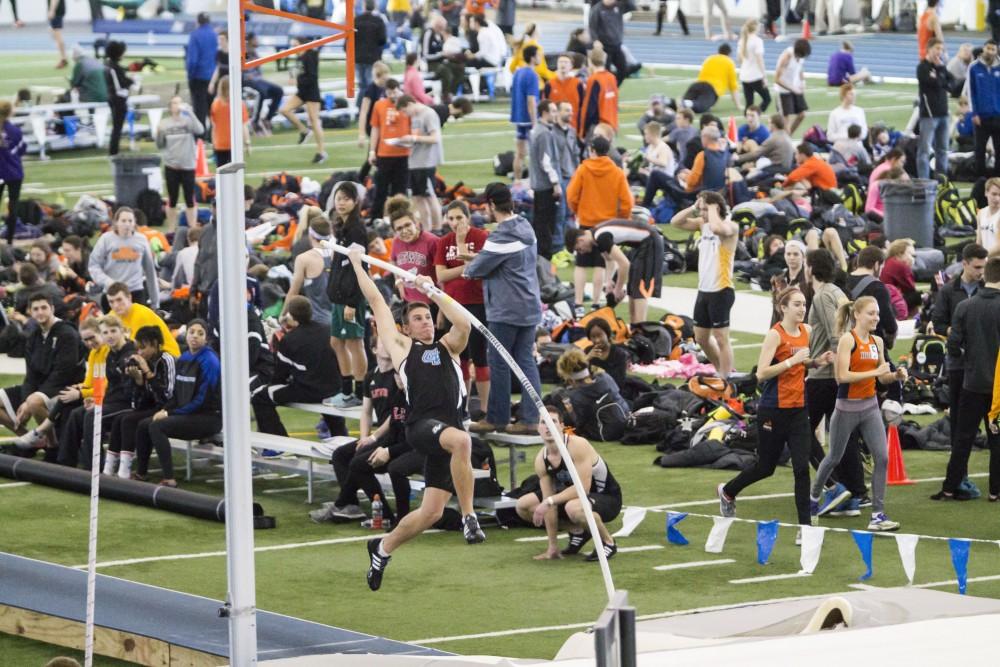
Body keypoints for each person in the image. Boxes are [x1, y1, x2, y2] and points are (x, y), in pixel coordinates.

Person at [349, 248, 485, 592]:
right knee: (463, 440)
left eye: (428, 317)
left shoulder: (449, 347)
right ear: (406, 327)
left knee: (432, 513)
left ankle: (381, 549)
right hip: (422, 427)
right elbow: (377, 301)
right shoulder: (403, 349)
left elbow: (464, 322)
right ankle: (470, 517)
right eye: (419, 319)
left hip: (448, 429)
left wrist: (433, 291)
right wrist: (356, 262)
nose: (425, 322)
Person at [719, 287, 834, 532]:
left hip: (798, 409)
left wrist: (817, 361)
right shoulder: (776, 334)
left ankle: (805, 528)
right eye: (797, 304)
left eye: (804, 304)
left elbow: (802, 362)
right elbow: (761, 373)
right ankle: (728, 491)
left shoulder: (808, 331)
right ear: (783, 308)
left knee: (801, 469)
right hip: (773, 409)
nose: (802, 309)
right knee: (766, 467)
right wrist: (793, 360)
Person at [810, 296, 906, 531]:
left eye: (877, 314)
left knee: (882, 457)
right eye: (871, 313)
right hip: (846, 409)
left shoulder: (877, 342)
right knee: (833, 456)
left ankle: (878, 515)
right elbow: (841, 377)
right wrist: (874, 373)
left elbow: (882, 377)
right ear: (857, 315)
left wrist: (894, 376)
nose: (876, 317)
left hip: (870, 407)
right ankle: (812, 500)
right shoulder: (847, 340)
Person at [464, 183, 543, 436]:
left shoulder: (501, 237)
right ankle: (531, 418)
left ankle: (497, 417)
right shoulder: (525, 226)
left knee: (499, 362)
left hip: (506, 309)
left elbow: (473, 271)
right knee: (525, 362)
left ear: (490, 205)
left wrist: (471, 261)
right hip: (529, 306)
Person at [517, 405, 622, 561]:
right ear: (538, 428)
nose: (547, 427)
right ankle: (579, 531)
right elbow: (549, 503)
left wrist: (550, 501)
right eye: (543, 422)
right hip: (572, 498)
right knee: (523, 505)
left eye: (552, 421)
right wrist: (552, 546)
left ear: (561, 426)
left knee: (573, 507)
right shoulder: (541, 459)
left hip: (606, 497)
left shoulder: (577, 445)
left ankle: (608, 542)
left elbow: (583, 488)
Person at [935, 257, 1000, 501]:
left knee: (963, 438)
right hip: (998, 391)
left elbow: (952, 346)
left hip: (971, 383)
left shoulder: (965, 306)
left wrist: (969, 358)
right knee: (997, 439)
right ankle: (995, 491)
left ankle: (950, 487)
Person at [0, 294, 83, 454]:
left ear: (52, 309)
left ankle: (53, 446)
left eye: (44, 308)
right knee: (27, 400)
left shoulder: (67, 333)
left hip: (66, 388)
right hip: (41, 387)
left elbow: (63, 373)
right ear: (30, 312)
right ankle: (33, 441)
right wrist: (24, 400)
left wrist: (32, 399)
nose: (40, 312)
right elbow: (31, 374)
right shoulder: (33, 335)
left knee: (34, 401)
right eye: (36, 309)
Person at [252, 296, 342, 437]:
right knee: (331, 408)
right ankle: (341, 439)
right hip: (334, 388)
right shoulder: (328, 330)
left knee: (260, 397)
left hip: (310, 391)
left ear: (291, 315)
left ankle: (278, 444)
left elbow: (280, 376)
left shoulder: (289, 340)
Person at [671, 191, 738, 378]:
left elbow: (718, 229)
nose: (701, 214)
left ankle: (727, 378)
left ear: (716, 208)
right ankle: (721, 370)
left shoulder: (730, 226)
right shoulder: (704, 224)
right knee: (701, 337)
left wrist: (712, 208)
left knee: (721, 338)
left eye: (704, 210)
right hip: (704, 290)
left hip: (721, 290)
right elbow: (675, 222)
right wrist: (694, 207)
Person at [435, 201, 491, 414]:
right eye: (451, 218)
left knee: (480, 357)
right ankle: (463, 407)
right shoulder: (443, 242)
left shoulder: (481, 237)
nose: (455, 222)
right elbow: (441, 276)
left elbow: (478, 271)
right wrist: (466, 265)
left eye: (459, 217)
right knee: (460, 356)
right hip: (453, 305)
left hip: (477, 304)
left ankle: (485, 409)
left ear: (468, 217)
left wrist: (461, 245)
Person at [567, 135, 634, 310]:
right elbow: (627, 201)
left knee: (581, 263)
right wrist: (622, 218)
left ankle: (579, 303)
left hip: (587, 221)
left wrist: (577, 210)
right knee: (602, 263)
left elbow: (571, 195)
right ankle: (597, 302)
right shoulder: (616, 171)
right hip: (608, 224)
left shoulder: (584, 169)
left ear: (592, 150)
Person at [932, 243, 987, 447]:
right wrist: (959, 331)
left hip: (985, 362)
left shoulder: (988, 289)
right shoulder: (948, 291)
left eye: (984, 267)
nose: (981, 272)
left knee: (993, 412)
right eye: (977, 267)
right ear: (964, 264)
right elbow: (938, 324)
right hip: (958, 362)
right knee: (957, 412)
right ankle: (957, 453)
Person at [565, 213, 663, 324]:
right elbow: (609, 260)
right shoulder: (596, 237)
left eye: (579, 249)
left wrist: (617, 289)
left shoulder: (601, 237)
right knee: (632, 287)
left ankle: (640, 326)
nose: (582, 252)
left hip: (650, 241)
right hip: (640, 245)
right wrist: (609, 282)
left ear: (580, 240)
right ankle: (634, 325)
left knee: (639, 288)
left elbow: (624, 264)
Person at [111, 325, 176, 480]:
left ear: (155, 343)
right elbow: (139, 404)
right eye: (137, 348)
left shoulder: (167, 360)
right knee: (123, 419)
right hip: (153, 407)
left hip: (168, 408)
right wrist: (139, 382)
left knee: (141, 423)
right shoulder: (142, 361)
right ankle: (114, 467)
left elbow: (168, 395)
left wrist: (148, 373)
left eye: (143, 348)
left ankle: (134, 470)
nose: (139, 353)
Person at [326, 184, 369, 409]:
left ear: (355, 202)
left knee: (354, 342)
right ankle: (345, 390)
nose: (341, 202)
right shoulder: (341, 226)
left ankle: (360, 393)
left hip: (350, 297)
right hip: (339, 296)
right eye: (338, 198)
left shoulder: (356, 229)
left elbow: (359, 267)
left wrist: (352, 300)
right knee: (337, 341)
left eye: (346, 199)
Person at [156, 97, 204, 229]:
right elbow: (160, 144)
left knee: (190, 198)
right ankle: (171, 229)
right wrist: (158, 133)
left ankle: (192, 228)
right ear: (170, 107)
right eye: (175, 103)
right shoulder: (164, 123)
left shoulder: (188, 122)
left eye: (180, 102)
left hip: (188, 166)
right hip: (171, 166)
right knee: (172, 198)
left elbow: (200, 130)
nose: (178, 105)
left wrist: (191, 113)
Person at [397, 95, 444, 231]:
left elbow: (435, 138)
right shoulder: (415, 117)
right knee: (418, 197)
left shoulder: (428, 114)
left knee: (429, 196)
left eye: (405, 111)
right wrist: (405, 141)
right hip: (415, 161)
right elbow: (418, 137)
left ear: (410, 103)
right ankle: (426, 228)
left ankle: (438, 227)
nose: (406, 114)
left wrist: (413, 138)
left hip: (426, 162)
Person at [368, 80, 411, 219]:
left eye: (394, 91)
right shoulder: (379, 105)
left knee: (400, 190)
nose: (392, 95)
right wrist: (372, 151)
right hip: (384, 153)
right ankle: (376, 218)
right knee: (380, 189)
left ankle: (400, 217)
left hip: (403, 154)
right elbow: (375, 128)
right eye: (389, 92)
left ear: (400, 90)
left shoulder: (408, 104)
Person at [280, 37, 326, 164]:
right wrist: (293, 77)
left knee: (314, 121)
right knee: (284, 110)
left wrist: (297, 80)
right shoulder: (299, 56)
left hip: (311, 92)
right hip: (302, 92)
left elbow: (312, 76)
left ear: (302, 44)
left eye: (295, 45)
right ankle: (304, 131)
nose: (293, 48)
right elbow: (299, 73)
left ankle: (321, 152)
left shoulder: (310, 55)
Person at [388, 196, 439, 307]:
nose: (405, 231)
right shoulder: (396, 242)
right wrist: (398, 282)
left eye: (407, 225)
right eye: (399, 228)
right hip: (409, 302)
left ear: (416, 223)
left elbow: (443, 276)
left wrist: (442, 308)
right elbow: (392, 261)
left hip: (432, 303)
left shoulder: (432, 241)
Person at [106, 282, 180, 357]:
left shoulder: (141, 314)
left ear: (129, 298)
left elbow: (139, 348)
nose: (115, 305)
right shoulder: (111, 315)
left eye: (119, 300)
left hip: (167, 356)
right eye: (111, 302)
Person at [528, 99, 560, 259]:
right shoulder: (544, 133)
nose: (556, 114)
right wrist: (555, 183)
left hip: (537, 184)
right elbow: (546, 161)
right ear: (545, 113)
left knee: (539, 222)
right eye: (553, 111)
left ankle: (539, 255)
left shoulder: (536, 130)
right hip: (545, 185)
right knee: (546, 225)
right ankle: (544, 257)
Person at [916, 39, 951, 180]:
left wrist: (940, 72)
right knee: (924, 150)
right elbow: (936, 83)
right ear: (928, 49)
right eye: (937, 48)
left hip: (944, 113)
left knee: (942, 150)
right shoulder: (922, 67)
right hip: (929, 115)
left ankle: (942, 179)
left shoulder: (941, 67)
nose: (939, 52)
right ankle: (924, 180)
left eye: (941, 49)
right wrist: (940, 78)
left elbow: (951, 84)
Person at [967, 40, 1000, 179]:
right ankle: (979, 179)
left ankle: (998, 178)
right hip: (981, 116)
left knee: (999, 150)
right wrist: (974, 113)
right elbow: (971, 91)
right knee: (979, 150)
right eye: (988, 48)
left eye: (993, 49)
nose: (990, 51)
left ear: (996, 51)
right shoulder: (974, 67)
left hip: (998, 115)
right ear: (983, 49)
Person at [243, 33, 285, 133]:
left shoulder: (255, 53)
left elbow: (258, 72)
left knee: (278, 91)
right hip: (247, 81)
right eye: (255, 39)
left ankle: (268, 118)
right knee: (261, 92)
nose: (257, 41)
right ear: (249, 41)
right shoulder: (244, 52)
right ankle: (255, 121)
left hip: (258, 80)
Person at [510, 45, 540, 181]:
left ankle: (517, 181)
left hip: (518, 117)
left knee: (520, 154)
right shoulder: (532, 75)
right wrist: (535, 122)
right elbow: (531, 100)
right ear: (533, 58)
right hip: (528, 119)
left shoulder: (518, 72)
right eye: (538, 55)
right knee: (535, 154)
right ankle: (534, 181)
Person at [578, 47, 619, 139]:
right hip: (611, 125)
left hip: (598, 127)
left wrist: (583, 131)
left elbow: (590, 108)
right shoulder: (612, 77)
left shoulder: (594, 80)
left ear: (590, 61)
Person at [186, 13, 218, 131]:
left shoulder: (195, 35)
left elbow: (192, 59)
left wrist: (190, 75)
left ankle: (201, 134)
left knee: (199, 108)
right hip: (212, 76)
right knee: (212, 107)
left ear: (198, 21)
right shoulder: (214, 34)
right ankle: (213, 134)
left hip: (198, 76)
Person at [209, 77, 250, 168]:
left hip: (219, 144)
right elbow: (244, 126)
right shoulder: (238, 104)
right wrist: (247, 142)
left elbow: (213, 127)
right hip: (235, 144)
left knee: (222, 175)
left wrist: (213, 143)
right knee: (236, 175)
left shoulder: (215, 105)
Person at [0, 100, 25, 246]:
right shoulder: (15, 131)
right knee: (13, 205)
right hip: (15, 172)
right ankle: (9, 240)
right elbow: (22, 150)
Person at [774, 39, 811, 135]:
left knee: (802, 115)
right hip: (783, 91)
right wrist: (792, 89)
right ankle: (785, 140)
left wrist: (802, 81)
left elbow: (800, 68)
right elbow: (777, 79)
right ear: (797, 52)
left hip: (795, 88)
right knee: (785, 121)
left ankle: (787, 137)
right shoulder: (787, 56)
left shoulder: (800, 56)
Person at [588, 0, 628, 84]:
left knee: (624, 69)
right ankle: (605, 90)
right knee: (605, 71)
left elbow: (632, 6)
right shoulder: (597, 9)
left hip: (617, 45)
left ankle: (614, 87)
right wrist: (595, 40)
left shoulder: (619, 6)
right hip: (604, 47)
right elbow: (592, 27)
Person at [582, 318, 629, 388]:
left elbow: (619, 381)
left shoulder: (619, 354)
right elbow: (579, 377)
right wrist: (586, 359)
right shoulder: (588, 351)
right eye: (593, 337)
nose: (597, 340)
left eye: (599, 335)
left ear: (607, 334)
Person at [638, 121, 676, 207]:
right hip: (654, 178)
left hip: (666, 180)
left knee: (654, 175)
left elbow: (663, 163)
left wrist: (647, 158)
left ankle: (646, 205)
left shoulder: (663, 147)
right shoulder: (650, 147)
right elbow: (650, 165)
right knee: (637, 172)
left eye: (646, 134)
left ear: (653, 134)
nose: (645, 137)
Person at [682, 126, 729, 194]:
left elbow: (692, 182)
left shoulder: (703, 156)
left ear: (705, 137)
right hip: (720, 191)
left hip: (704, 194)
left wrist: (685, 177)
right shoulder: (724, 154)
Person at [355, 0, 388, 96]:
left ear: (364, 6)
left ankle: (361, 105)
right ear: (374, 6)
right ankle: (371, 105)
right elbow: (382, 40)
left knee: (361, 84)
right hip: (373, 56)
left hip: (358, 56)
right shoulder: (378, 21)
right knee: (371, 83)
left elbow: (350, 38)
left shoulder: (356, 20)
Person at [880, 238, 920, 317]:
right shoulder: (900, 266)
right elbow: (910, 288)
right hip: (891, 302)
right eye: (911, 255)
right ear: (900, 253)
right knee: (916, 297)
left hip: (885, 299)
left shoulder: (889, 261)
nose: (913, 258)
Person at [544, 55, 584, 132]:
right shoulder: (550, 84)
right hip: (555, 127)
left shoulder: (578, 84)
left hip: (573, 126)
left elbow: (582, 106)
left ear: (571, 66)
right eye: (560, 62)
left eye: (566, 62)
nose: (563, 64)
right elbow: (545, 106)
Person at [864, 148, 906, 218]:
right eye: (901, 162)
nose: (902, 165)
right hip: (881, 215)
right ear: (893, 159)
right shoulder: (887, 170)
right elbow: (869, 209)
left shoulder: (884, 167)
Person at [738, 20, 769, 112]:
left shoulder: (742, 40)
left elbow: (740, 59)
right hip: (755, 76)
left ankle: (749, 119)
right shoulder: (757, 41)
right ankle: (755, 116)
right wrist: (764, 76)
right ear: (756, 27)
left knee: (749, 103)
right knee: (767, 99)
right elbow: (760, 60)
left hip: (744, 75)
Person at [697, 43, 740, 109]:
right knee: (702, 107)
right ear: (729, 54)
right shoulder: (729, 62)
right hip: (713, 90)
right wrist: (738, 105)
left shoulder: (709, 59)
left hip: (699, 86)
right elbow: (733, 86)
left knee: (695, 101)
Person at [977, 178, 1000, 256]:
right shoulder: (981, 213)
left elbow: (999, 247)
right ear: (986, 192)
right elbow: (979, 242)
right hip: (986, 261)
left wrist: (982, 257)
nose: (997, 199)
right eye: (994, 194)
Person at [48, 0, 67, 68]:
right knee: (53, 33)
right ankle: (63, 57)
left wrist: (52, 10)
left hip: (57, 10)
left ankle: (63, 59)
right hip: (58, 9)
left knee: (57, 35)